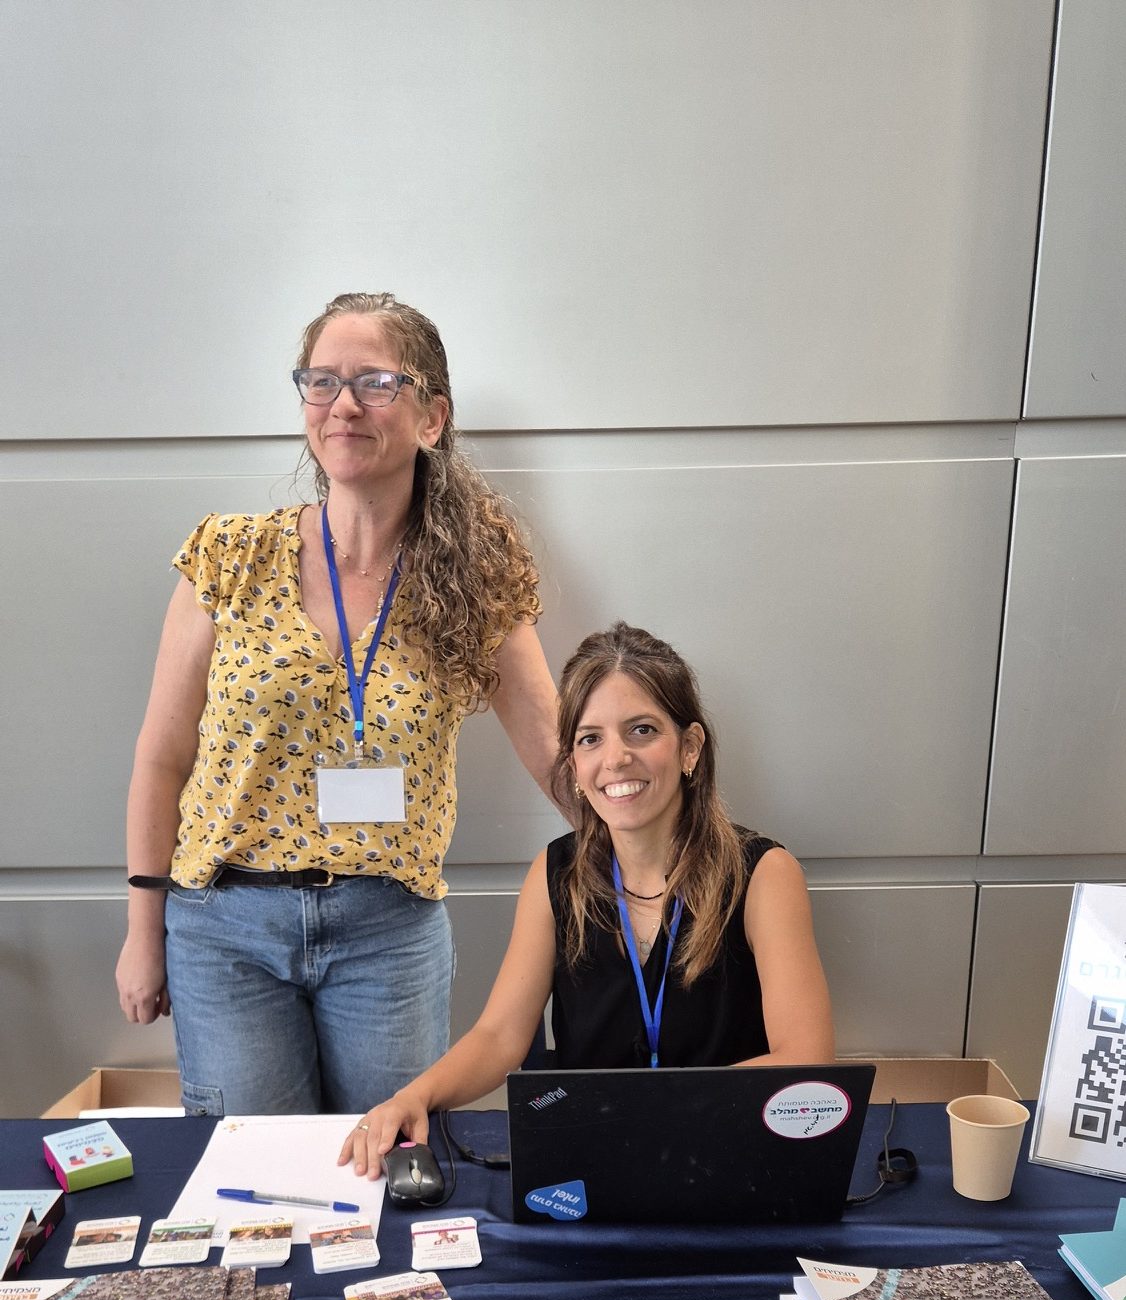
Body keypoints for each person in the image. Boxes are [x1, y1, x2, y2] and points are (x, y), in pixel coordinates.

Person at [116, 290, 561, 1115]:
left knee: (388, 1165)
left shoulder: (475, 576)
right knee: (253, 1174)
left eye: (375, 382)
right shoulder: (230, 556)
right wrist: (144, 933)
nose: (344, 405)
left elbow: (556, 754)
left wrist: (667, 862)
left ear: (432, 418)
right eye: (321, 382)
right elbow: (161, 756)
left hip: (388, 930)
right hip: (227, 927)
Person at [342, 621, 834, 1177]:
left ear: (690, 747)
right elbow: (499, 1036)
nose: (615, 758)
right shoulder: (554, 873)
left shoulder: (764, 873)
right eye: (590, 738)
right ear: (574, 765)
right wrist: (415, 1095)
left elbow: (806, 1056)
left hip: (730, 1158)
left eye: (642, 730)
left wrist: (658, 1112)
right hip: (595, 1164)